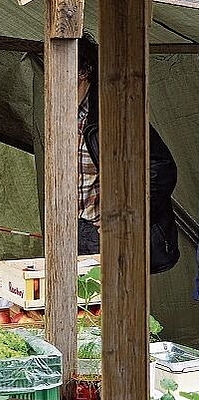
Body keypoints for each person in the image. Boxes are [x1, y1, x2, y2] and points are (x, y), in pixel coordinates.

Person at [76, 32, 180, 274]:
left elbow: (161, 169)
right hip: (72, 230)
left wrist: (124, 215)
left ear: (85, 71)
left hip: (105, 232)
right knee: (78, 306)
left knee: (112, 306)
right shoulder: (59, 114)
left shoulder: (115, 112)